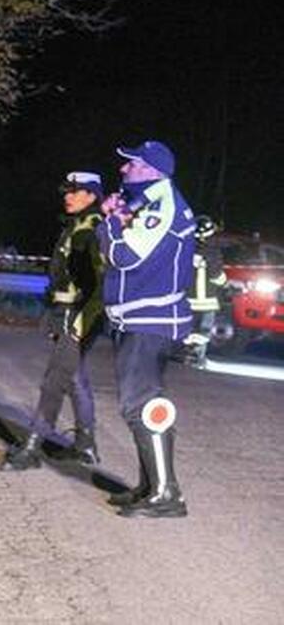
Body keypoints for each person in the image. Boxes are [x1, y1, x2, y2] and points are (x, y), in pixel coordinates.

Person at [96, 140, 194, 518]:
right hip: (138, 317)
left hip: (149, 320)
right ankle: (151, 485)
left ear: (152, 171)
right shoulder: (145, 200)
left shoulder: (162, 206)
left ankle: (166, 494)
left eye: (131, 165)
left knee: (141, 404)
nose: (123, 170)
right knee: (146, 403)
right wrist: (117, 213)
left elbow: (124, 255)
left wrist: (109, 224)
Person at [1, 171, 106, 470]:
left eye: (75, 191)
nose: (67, 196)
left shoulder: (92, 229)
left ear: (92, 196)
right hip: (67, 312)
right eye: (67, 191)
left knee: (54, 381)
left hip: (78, 315)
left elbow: (101, 284)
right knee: (74, 379)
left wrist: (80, 323)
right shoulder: (77, 225)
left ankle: (32, 447)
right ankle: (86, 446)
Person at [182, 215, 226, 366]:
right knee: (204, 330)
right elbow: (216, 276)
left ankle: (185, 354)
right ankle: (198, 356)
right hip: (207, 300)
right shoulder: (212, 251)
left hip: (187, 298)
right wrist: (225, 282)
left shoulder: (185, 248)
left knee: (188, 329)